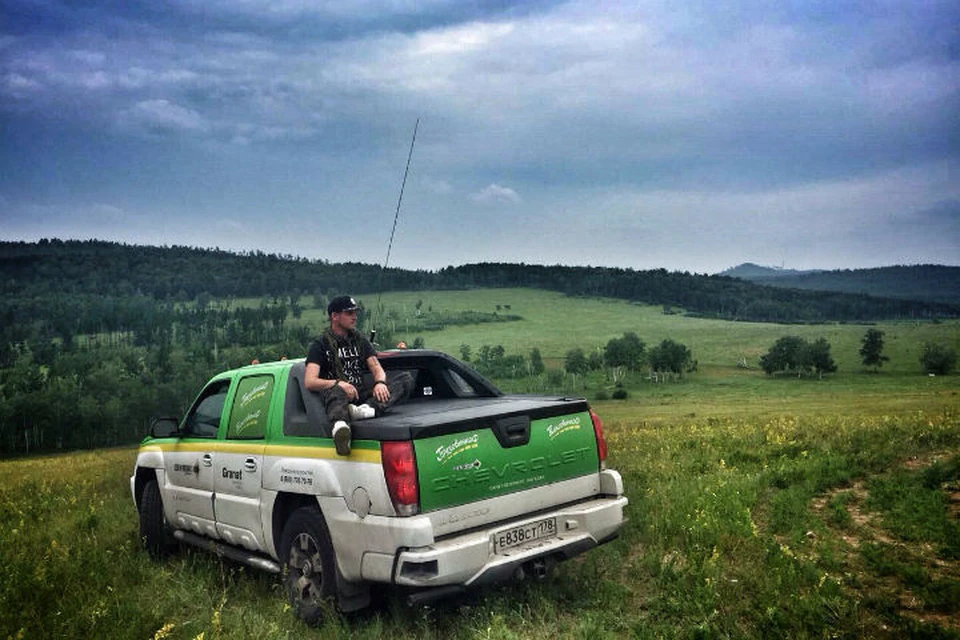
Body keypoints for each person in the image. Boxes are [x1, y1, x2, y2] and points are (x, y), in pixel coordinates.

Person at [304, 296, 412, 455]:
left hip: (360, 393)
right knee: (336, 392)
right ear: (334, 316)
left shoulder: (359, 339)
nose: (354, 317)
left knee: (405, 379)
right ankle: (340, 429)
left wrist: (380, 382)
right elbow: (310, 381)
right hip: (337, 395)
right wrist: (339, 383)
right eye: (349, 313)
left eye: (355, 312)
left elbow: (376, 366)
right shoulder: (320, 345)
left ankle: (365, 411)